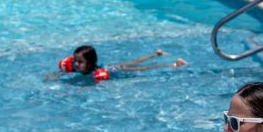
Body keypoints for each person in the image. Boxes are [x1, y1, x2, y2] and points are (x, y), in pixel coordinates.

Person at [58, 45, 187, 81]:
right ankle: (156, 54)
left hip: (114, 70)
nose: (75, 64)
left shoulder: (96, 73)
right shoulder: (77, 69)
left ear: (90, 63)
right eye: (74, 60)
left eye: (80, 61)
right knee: (133, 62)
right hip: (111, 66)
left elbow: (95, 84)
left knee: (141, 68)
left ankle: (175, 64)